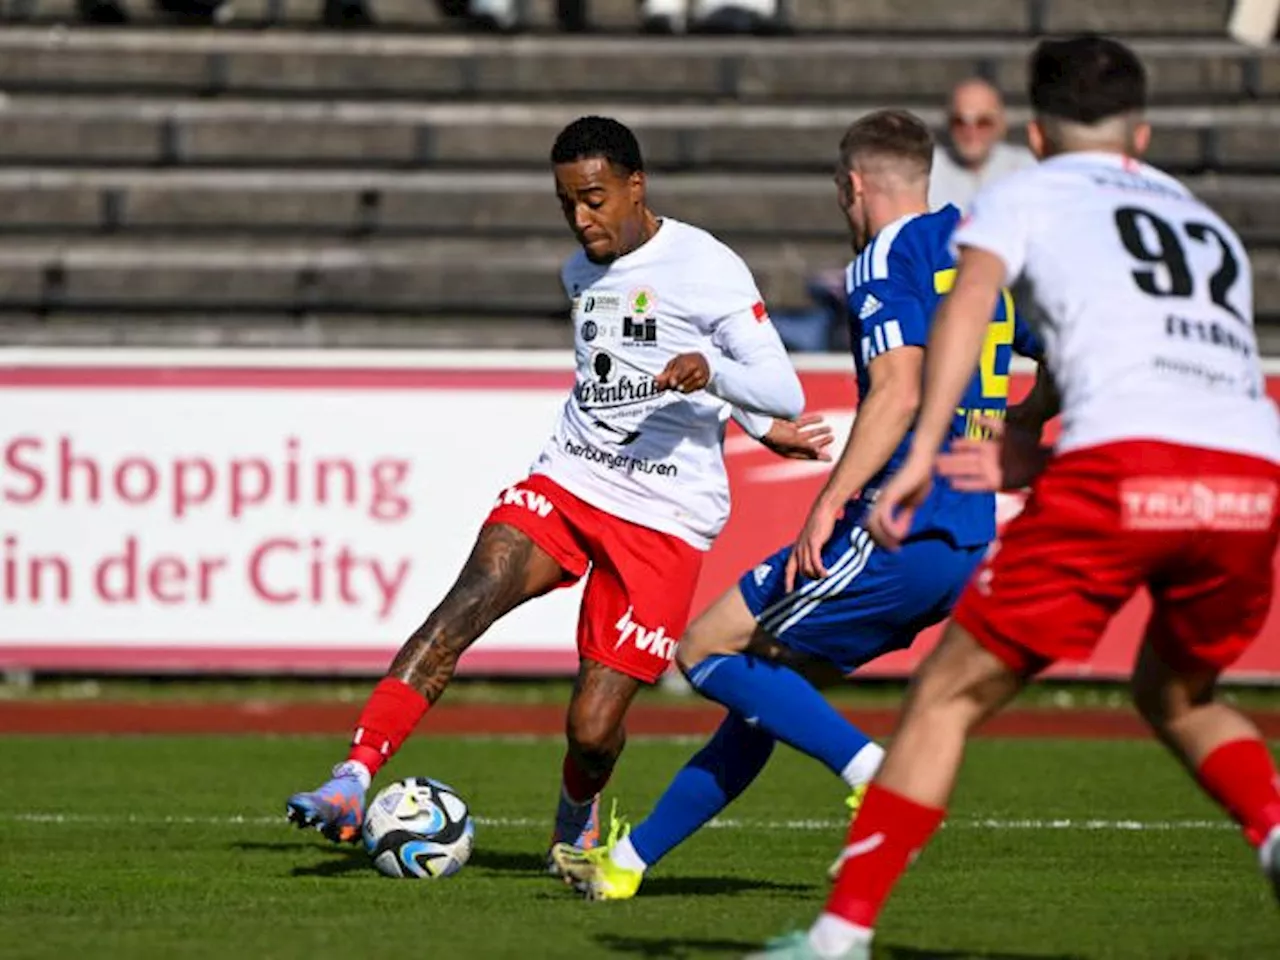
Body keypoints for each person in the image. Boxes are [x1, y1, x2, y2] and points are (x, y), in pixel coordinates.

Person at [752, 35, 1280, 960]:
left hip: (1125, 469)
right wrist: (1027, 439)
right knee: (1180, 691)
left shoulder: (1021, 196)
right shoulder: (1206, 224)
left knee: (946, 696)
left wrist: (924, 453)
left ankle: (834, 941)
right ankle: (1274, 832)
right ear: (1142, 134)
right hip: (1250, 474)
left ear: (1034, 135)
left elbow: (967, 308)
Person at [285, 115, 828, 869]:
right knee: (467, 600)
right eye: (567, 201)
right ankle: (352, 777)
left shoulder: (707, 267)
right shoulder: (582, 273)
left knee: (593, 728)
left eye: (596, 199)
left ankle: (576, 812)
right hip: (571, 478)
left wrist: (731, 391)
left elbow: (781, 385)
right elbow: (627, 365)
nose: (581, 219)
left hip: (665, 518)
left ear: (637, 187)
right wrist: (739, 411)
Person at [549, 109, 1045, 900]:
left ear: (853, 185)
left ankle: (875, 773)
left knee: (704, 650)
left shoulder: (884, 258)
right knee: (763, 691)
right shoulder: (979, 249)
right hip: (965, 535)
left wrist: (828, 505)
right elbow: (1056, 351)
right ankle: (627, 863)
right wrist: (1017, 421)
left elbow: (895, 393)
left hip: (897, 520)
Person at [928, 77, 1036, 213]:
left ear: (1001, 125)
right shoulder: (927, 171)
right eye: (959, 122)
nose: (971, 132)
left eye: (983, 122)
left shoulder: (1027, 170)